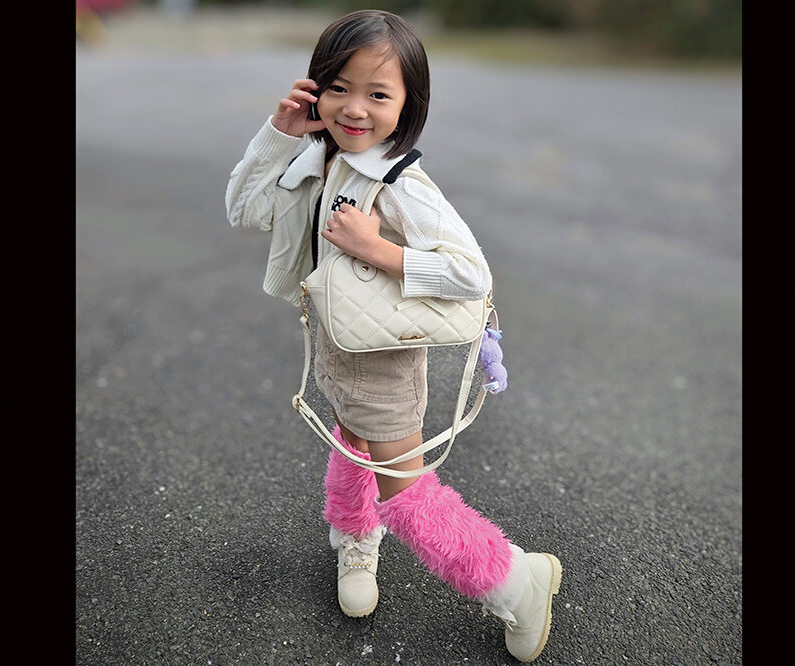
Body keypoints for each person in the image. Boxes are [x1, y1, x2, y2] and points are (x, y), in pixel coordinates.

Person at [225, 9, 561, 662]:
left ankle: (517, 581)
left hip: (383, 363)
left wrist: (379, 250)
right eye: (339, 87)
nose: (355, 108)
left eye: (378, 94)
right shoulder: (316, 159)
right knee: (351, 441)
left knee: (405, 493)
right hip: (339, 346)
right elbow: (243, 211)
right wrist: (276, 135)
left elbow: (471, 272)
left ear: (408, 106)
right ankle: (357, 536)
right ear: (315, 89)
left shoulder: (400, 182)